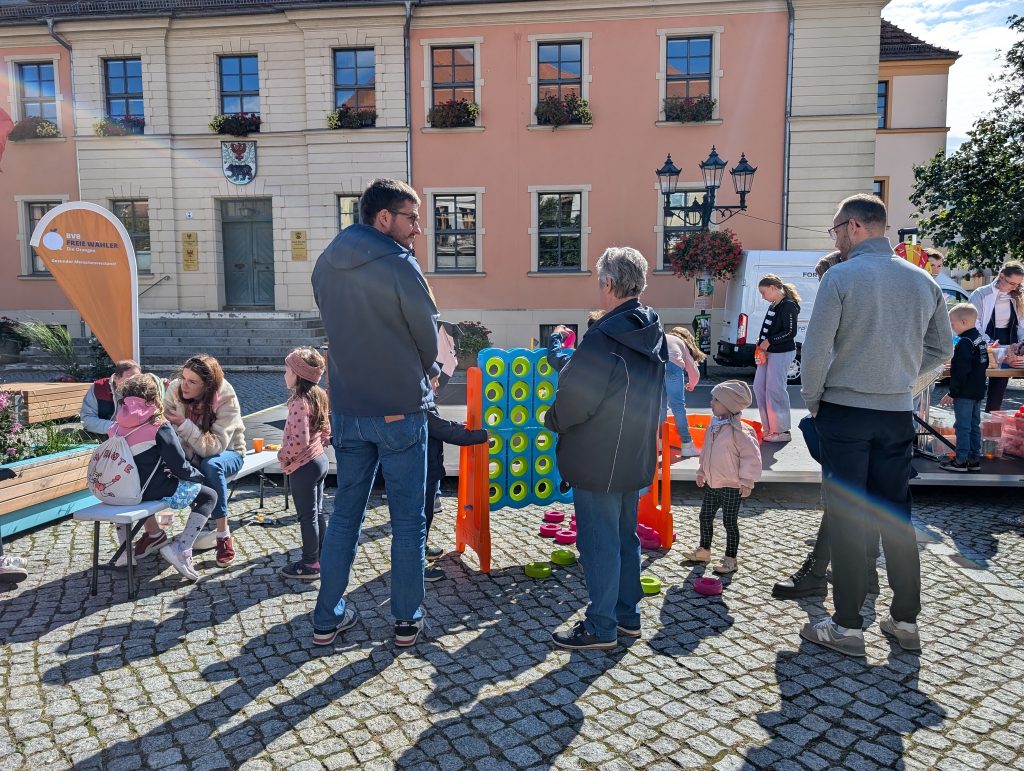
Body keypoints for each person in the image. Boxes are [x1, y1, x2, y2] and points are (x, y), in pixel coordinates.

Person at [799, 193, 952, 656]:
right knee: (895, 515)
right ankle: (905, 620)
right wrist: (903, 381)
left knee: (848, 518)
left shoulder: (842, 276)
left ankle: (847, 626)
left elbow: (816, 349)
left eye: (836, 230)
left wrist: (814, 400)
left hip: (845, 410)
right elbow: (942, 349)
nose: (835, 240)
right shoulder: (923, 280)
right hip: (895, 413)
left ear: (854, 226)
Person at [310, 178, 440, 648]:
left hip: (348, 405)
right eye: (412, 218)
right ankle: (405, 619)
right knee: (408, 519)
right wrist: (427, 369)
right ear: (384, 218)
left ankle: (326, 617)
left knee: (345, 514)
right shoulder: (400, 264)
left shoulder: (326, 263)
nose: (417, 228)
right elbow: (428, 335)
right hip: (399, 406)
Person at [544, 246, 666, 650]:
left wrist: (552, 418)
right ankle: (627, 616)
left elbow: (577, 401)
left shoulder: (604, 336)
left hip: (598, 458)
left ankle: (601, 626)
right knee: (625, 538)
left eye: (600, 283)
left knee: (600, 544)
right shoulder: (651, 327)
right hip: (634, 453)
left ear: (609, 283)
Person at [773, 250, 880, 601]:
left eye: (823, 280)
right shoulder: (873, 308)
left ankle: (818, 573)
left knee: (841, 498)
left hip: (846, 414)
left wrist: (815, 403)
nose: (823, 287)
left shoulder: (845, 310)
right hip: (881, 414)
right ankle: (864, 572)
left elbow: (817, 358)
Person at [109, 374, 218, 582]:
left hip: (121, 489)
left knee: (122, 501)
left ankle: (125, 554)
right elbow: (179, 466)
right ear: (155, 397)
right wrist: (199, 477)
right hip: (152, 488)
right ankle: (181, 548)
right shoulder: (158, 426)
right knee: (209, 496)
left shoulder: (115, 426)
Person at [163, 354, 246, 567]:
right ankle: (153, 533)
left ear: (207, 386)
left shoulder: (225, 396)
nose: (184, 385)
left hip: (229, 453)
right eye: (183, 377)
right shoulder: (175, 389)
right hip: (189, 454)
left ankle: (223, 535)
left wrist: (184, 424)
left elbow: (213, 448)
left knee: (210, 465)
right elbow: (163, 427)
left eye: (192, 382)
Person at [681, 381, 762, 574]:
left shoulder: (741, 431)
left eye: (716, 400)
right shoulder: (713, 425)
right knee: (705, 516)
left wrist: (747, 481)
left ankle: (731, 558)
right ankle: (704, 549)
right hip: (713, 483)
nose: (711, 402)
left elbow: (751, 458)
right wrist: (702, 471)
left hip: (732, 486)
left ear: (729, 405)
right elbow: (707, 450)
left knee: (729, 522)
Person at [424, 376, 488, 581]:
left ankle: (421, 548)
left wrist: (460, 425)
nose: (437, 385)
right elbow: (446, 432)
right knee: (420, 517)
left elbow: (444, 426)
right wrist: (482, 435)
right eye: (434, 381)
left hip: (429, 470)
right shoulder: (421, 408)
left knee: (426, 515)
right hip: (424, 472)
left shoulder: (425, 405)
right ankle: (416, 564)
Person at [277, 347, 331, 581]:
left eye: (287, 370)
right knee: (316, 513)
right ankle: (323, 555)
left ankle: (310, 563)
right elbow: (326, 429)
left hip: (304, 466)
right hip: (319, 460)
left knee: (307, 517)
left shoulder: (299, 402)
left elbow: (300, 441)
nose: (284, 374)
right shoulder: (319, 395)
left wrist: (283, 455)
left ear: (298, 375)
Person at [939, 304, 988, 473]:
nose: (952, 328)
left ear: (964, 322)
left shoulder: (965, 342)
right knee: (974, 425)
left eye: (953, 324)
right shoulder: (980, 339)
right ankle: (974, 459)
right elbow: (984, 363)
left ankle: (961, 460)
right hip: (978, 390)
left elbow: (961, 370)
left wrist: (953, 392)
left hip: (964, 393)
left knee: (962, 427)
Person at [969, 261, 1024, 411]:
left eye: (1018, 284)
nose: (1015, 287)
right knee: (976, 383)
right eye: (1012, 283)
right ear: (1002, 276)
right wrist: (988, 342)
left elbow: (1021, 324)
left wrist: (1021, 343)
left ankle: (991, 418)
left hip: (1008, 342)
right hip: (984, 340)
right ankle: (973, 418)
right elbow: (974, 323)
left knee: (998, 388)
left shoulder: (1018, 296)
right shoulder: (981, 293)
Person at [753, 274, 800, 443]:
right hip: (768, 352)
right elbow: (768, 329)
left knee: (775, 389)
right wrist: (761, 344)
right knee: (759, 387)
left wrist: (769, 341)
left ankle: (782, 431)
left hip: (782, 352)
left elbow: (790, 332)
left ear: (773, 288)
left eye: (763, 292)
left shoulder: (788, 305)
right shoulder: (774, 304)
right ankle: (769, 428)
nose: (762, 296)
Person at [664, 327, 702, 457]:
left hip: (656, 366)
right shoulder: (681, 343)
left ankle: (660, 442)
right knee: (678, 407)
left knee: (660, 407)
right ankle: (687, 444)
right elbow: (693, 371)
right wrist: (691, 385)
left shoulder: (663, 337)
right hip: (672, 367)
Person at [81, 359, 141, 437]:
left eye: (138, 379)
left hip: (132, 436)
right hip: (100, 435)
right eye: (130, 379)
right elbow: (86, 420)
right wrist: (115, 428)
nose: (135, 383)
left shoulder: (142, 390)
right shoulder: (98, 388)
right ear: (116, 378)